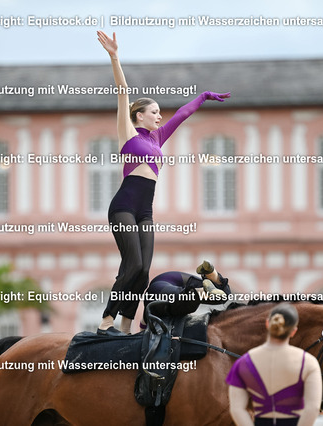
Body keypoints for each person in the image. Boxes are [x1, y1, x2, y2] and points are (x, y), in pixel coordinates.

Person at [96, 30, 231, 335]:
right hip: (123, 207)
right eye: (154, 112)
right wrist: (115, 56)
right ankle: (107, 320)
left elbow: (181, 115)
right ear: (139, 116)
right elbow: (122, 91)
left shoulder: (157, 139)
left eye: (159, 113)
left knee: (144, 270)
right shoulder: (128, 133)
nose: (159, 116)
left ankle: (127, 323)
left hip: (145, 210)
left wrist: (203, 97)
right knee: (132, 264)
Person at [226, 303, 322, 426]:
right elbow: (313, 408)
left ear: (267, 324)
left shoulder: (244, 362)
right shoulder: (308, 362)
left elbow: (237, 409)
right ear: (293, 331)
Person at [141, 260, 231, 326]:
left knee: (184, 303)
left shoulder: (149, 314)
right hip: (172, 277)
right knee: (224, 296)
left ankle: (200, 291)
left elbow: (142, 331)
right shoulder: (150, 313)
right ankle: (214, 276)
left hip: (157, 290)